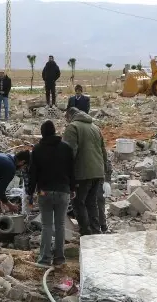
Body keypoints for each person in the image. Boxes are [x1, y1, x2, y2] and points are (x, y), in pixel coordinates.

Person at [27, 121, 75, 266]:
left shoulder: (37, 149)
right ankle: (59, 258)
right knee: (60, 224)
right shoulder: (66, 148)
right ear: (55, 131)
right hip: (63, 191)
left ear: (42, 133)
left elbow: (32, 174)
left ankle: (45, 259)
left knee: (47, 225)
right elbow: (71, 170)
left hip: (44, 192)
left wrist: (30, 193)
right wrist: (73, 188)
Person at [63, 107, 108, 236]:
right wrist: (104, 171)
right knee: (91, 202)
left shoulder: (73, 127)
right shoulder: (95, 127)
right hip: (97, 171)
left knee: (78, 202)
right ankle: (95, 231)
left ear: (69, 116)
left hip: (82, 172)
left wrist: (67, 174)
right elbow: (103, 152)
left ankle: (86, 233)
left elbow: (70, 152)